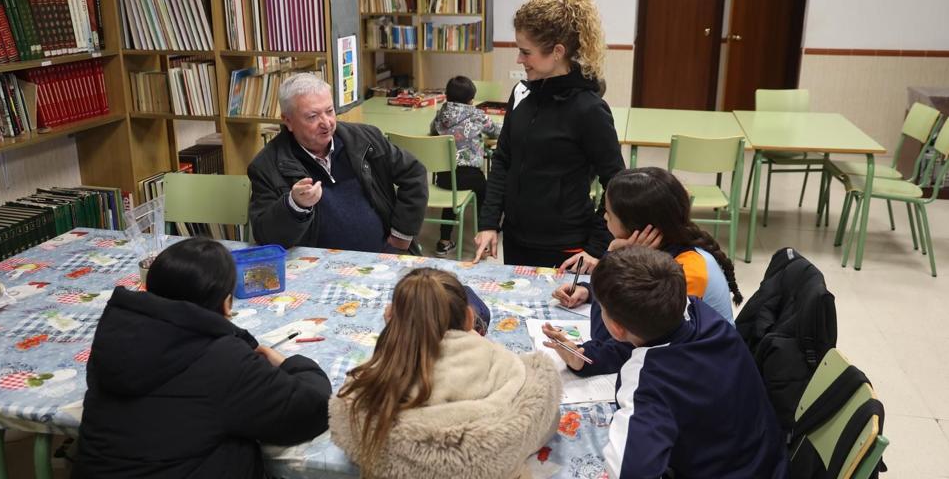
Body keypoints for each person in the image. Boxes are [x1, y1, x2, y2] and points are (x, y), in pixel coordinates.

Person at [74, 238, 331, 479]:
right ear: (226, 304)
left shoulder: (116, 335)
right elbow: (313, 411)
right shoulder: (224, 359)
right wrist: (291, 364)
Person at [542, 247, 787, 479]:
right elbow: (637, 343)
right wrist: (585, 357)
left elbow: (630, 473)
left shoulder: (649, 381)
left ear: (616, 328)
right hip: (767, 461)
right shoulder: (699, 313)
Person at [330, 268, 561, 478]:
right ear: (471, 319)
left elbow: (344, 431)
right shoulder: (519, 377)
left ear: (390, 318)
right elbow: (546, 420)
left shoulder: (359, 402)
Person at [473, 0, 625, 268]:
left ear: (557, 51)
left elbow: (618, 185)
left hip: (566, 246)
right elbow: (503, 160)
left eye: (525, 52)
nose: (519, 59)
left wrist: (596, 248)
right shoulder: (521, 93)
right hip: (517, 238)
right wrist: (489, 223)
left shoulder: (589, 109)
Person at [248, 73, 428, 253]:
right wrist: (294, 206)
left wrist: (402, 234)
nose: (326, 123)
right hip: (318, 270)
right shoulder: (266, 166)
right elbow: (265, 237)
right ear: (288, 121)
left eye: (329, 111)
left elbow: (414, 172)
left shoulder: (365, 139)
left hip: (384, 257)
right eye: (312, 116)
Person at [555, 167, 742, 326]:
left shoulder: (686, 270)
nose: (604, 217)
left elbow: (615, 330)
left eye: (609, 214)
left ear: (637, 226)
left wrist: (612, 255)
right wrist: (589, 291)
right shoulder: (662, 250)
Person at [430, 75, 501, 256]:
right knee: (484, 193)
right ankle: (483, 240)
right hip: (470, 175)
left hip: (445, 177)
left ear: (446, 96)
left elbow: (432, 129)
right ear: (471, 99)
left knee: (452, 195)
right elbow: (495, 130)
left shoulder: (441, 114)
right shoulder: (476, 115)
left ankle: (444, 241)